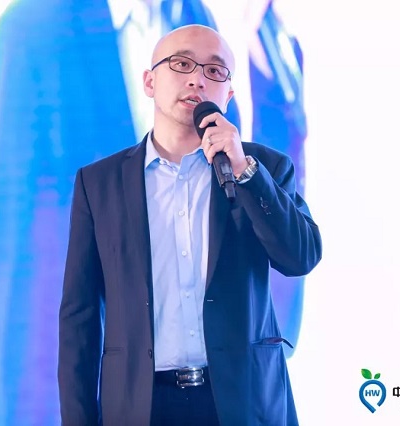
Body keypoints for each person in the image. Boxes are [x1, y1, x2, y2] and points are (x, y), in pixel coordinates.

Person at [58, 24, 322, 426]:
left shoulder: (262, 168)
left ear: (228, 95)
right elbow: (79, 318)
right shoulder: (99, 184)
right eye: (181, 64)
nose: (197, 79)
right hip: (140, 406)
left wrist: (245, 172)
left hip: (242, 401)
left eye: (214, 71)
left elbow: (300, 257)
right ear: (150, 82)